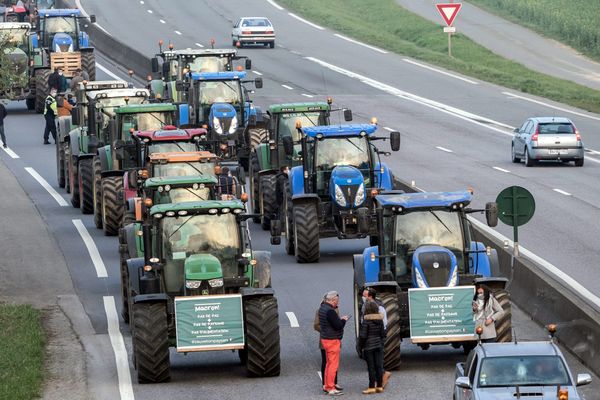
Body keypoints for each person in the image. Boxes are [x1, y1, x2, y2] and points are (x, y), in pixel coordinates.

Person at [319, 290, 350, 396]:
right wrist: (344, 320)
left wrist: (338, 320)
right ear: (332, 300)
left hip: (325, 339)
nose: (338, 303)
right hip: (332, 340)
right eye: (337, 301)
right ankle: (331, 387)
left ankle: (326, 385)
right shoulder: (330, 311)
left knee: (328, 364)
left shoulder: (322, 308)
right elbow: (338, 326)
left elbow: (330, 322)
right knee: (333, 365)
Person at [361, 288, 392, 388]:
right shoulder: (365, 306)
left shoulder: (379, 307)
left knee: (375, 362)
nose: (363, 297)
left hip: (375, 337)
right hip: (373, 336)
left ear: (370, 297)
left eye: (365, 296)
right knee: (374, 362)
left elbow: (384, 324)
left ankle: (380, 380)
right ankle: (378, 382)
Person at [313, 294, 342, 393]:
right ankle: (326, 384)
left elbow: (337, 323)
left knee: (333, 363)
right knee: (326, 362)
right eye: (335, 301)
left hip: (334, 338)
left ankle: (334, 382)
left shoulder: (335, 310)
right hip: (327, 339)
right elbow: (316, 325)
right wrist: (327, 330)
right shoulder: (322, 311)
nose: (337, 303)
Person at [358, 301, 386, 394]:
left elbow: (363, 336)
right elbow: (383, 334)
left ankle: (371, 387)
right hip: (378, 345)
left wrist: (360, 346)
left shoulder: (366, 321)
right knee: (379, 366)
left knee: (371, 367)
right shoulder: (380, 320)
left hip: (369, 346)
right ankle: (379, 386)